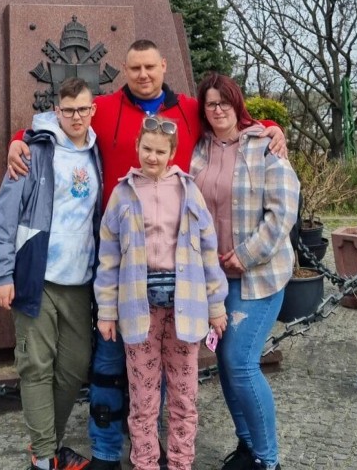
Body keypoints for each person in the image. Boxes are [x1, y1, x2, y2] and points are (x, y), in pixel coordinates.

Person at [8, 40, 288, 470]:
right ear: (125, 68)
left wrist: (270, 125)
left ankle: (171, 455)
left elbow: (229, 118)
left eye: (149, 67)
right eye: (134, 67)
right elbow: (60, 117)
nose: (142, 75)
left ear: (163, 67)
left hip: (177, 279)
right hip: (118, 256)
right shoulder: (103, 105)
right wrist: (18, 141)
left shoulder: (190, 109)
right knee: (108, 362)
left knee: (175, 381)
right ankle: (106, 450)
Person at [94, 117, 228, 470]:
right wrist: (106, 311)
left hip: (186, 304)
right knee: (143, 397)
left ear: (172, 153)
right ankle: (145, 463)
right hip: (139, 308)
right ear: (137, 146)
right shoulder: (123, 194)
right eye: (147, 149)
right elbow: (107, 258)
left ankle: (182, 463)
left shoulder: (188, 191)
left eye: (160, 151)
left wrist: (216, 305)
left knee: (184, 395)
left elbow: (208, 251)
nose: (152, 157)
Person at [0, 77, 101, 470]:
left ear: (92, 109)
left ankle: (45, 447)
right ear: (57, 111)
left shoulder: (97, 152)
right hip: (37, 277)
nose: (75, 117)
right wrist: (1, 274)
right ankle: (46, 457)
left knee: (73, 366)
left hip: (80, 280)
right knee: (36, 366)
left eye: (83, 109)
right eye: (68, 110)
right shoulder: (34, 152)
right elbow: (4, 216)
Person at [191, 74, 300, 470]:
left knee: (240, 361)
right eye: (210, 104)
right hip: (216, 280)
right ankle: (248, 445)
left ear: (237, 104)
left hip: (258, 276)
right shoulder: (199, 149)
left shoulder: (263, 145)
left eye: (225, 102)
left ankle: (268, 460)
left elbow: (283, 210)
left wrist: (247, 254)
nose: (218, 109)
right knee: (225, 366)